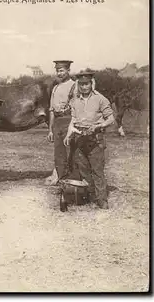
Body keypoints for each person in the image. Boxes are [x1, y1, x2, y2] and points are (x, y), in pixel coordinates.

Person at [64, 71, 115, 209]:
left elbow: (111, 118)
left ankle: (102, 200)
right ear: (78, 85)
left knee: (97, 170)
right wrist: (69, 134)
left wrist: (99, 126)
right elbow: (73, 120)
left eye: (87, 84)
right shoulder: (75, 101)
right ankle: (91, 195)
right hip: (80, 138)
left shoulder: (100, 99)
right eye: (81, 84)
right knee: (84, 169)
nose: (84, 87)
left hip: (95, 139)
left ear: (91, 83)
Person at [46, 60, 77, 185]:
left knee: (70, 150)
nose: (59, 73)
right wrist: (50, 129)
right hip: (57, 122)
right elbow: (52, 110)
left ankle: (73, 178)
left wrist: (73, 125)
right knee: (58, 151)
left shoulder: (74, 86)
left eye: (62, 70)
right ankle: (60, 176)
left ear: (68, 71)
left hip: (69, 120)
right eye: (57, 71)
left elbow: (77, 108)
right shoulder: (56, 88)